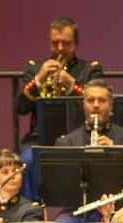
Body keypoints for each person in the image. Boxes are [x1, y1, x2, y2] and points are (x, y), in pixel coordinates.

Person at [16, 16, 104, 200]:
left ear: (76, 43)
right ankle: (32, 211)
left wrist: (72, 83)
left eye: (66, 43)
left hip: (78, 135)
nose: (60, 48)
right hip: (40, 138)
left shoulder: (90, 70)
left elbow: (97, 101)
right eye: (55, 43)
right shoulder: (35, 69)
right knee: (26, 161)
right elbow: (20, 107)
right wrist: (39, 79)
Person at [55, 80, 123, 186]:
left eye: (102, 100)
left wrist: (118, 159)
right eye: (90, 100)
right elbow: (58, 183)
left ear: (111, 105)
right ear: (83, 105)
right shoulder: (66, 143)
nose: (96, 105)